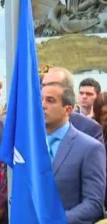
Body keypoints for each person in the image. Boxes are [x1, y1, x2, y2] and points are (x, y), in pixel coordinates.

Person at [42, 82, 105, 223]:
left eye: (50, 100)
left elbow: (93, 204)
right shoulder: (29, 146)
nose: (42, 105)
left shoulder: (90, 148)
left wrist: (57, 220)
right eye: (41, 99)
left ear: (68, 109)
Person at [41, 67, 103, 143]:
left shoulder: (89, 128)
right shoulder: (30, 125)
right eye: (43, 85)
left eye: (53, 85)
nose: (46, 89)